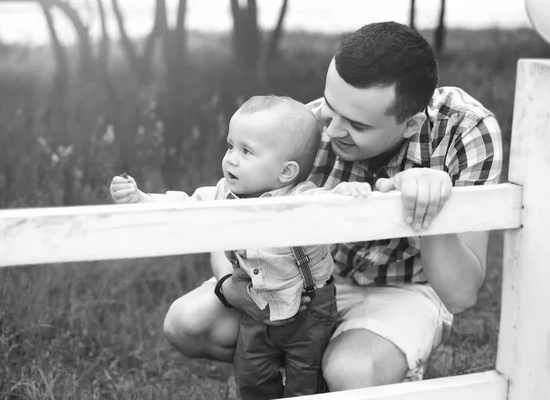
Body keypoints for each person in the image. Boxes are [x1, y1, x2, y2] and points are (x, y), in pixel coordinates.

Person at [161, 20, 503, 391]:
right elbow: (230, 208)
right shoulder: (303, 127)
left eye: (356, 124)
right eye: (330, 105)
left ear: (410, 124)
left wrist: (432, 209)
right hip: (311, 279)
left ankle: (350, 369)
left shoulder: (466, 130)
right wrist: (232, 284)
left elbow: (461, 294)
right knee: (187, 323)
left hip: (408, 288)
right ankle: (297, 370)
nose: (331, 130)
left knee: (350, 372)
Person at [109, 95, 372, 399]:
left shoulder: (301, 197)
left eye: (246, 151)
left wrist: (346, 192)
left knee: (306, 380)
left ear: (285, 172)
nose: (231, 158)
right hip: (256, 306)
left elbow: (329, 203)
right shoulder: (223, 195)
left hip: (308, 310)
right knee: (251, 375)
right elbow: (183, 205)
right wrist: (141, 198)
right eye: (230, 146)